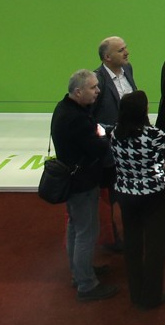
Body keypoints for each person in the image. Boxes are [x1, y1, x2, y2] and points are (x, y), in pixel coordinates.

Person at [52, 69, 118, 302]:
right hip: (83, 182)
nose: (98, 91)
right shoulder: (77, 118)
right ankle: (87, 285)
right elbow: (97, 147)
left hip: (73, 180)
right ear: (78, 91)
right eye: (93, 87)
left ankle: (79, 272)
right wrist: (105, 137)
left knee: (75, 227)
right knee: (87, 233)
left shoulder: (64, 108)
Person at [108, 92, 165, 311]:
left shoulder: (115, 133)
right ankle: (152, 295)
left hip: (126, 194)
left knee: (132, 243)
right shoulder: (153, 135)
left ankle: (136, 293)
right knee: (156, 245)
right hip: (153, 194)